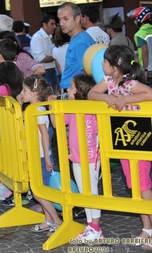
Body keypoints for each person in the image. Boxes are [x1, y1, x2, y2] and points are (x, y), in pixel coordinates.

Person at [88, 45, 152, 250]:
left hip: (139, 140)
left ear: (115, 66)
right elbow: (91, 93)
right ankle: (147, 229)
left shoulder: (130, 83)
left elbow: (149, 93)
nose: (101, 64)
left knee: (143, 185)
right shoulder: (108, 81)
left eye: (105, 62)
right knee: (134, 184)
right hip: (122, 140)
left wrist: (126, 99)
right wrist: (107, 97)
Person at [49, 75, 101, 243]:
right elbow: (57, 123)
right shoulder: (71, 108)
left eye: (71, 88)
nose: (67, 90)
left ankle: (96, 228)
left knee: (91, 192)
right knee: (83, 192)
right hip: (77, 157)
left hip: (91, 158)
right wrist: (52, 106)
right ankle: (90, 225)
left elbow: (100, 130)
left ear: (80, 91)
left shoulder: (93, 109)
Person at [17, 75, 61, 236]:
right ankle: (48, 219)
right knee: (41, 189)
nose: (22, 93)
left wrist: (48, 157)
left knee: (39, 191)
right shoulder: (32, 109)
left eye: (25, 90)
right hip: (35, 155)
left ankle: (57, 220)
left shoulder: (38, 110)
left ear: (35, 93)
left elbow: (45, 134)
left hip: (41, 156)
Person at [57, 2, 95, 91]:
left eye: (66, 19)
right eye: (60, 19)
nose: (61, 23)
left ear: (77, 18)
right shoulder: (78, 38)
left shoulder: (80, 42)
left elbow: (87, 72)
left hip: (74, 93)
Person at [30, 14, 57, 93]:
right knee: (47, 97)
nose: (54, 26)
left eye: (55, 24)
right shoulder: (37, 37)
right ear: (44, 25)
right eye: (52, 24)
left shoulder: (49, 37)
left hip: (51, 71)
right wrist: (56, 56)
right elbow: (41, 58)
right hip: (45, 73)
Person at [127, 7, 152, 86]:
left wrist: (145, 70)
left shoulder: (140, 34)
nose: (134, 22)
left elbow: (145, 51)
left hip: (149, 69)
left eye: (135, 19)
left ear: (141, 19)